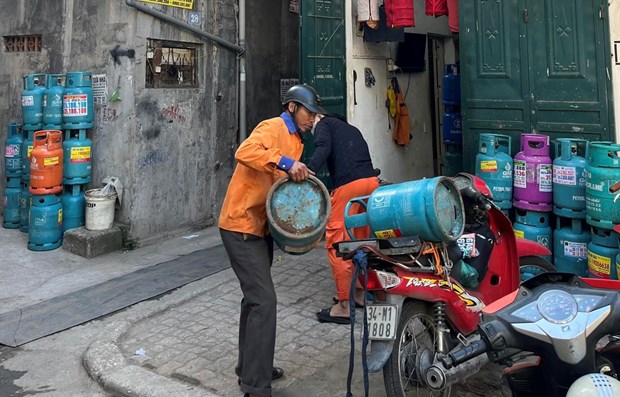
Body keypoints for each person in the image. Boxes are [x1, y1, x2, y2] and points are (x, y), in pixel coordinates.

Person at [218, 84, 324, 397]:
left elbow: (278, 187)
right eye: (309, 112)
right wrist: (286, 163)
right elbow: (245, 152)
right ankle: (255, 385)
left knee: (254, 301)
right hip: (240, 226)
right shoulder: (273, 127)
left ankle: (251, 368)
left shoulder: (297, 140)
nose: (312, 118)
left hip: (259, 228)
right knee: (264, 301)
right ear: (293, 107)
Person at [307, 114, 379, 325]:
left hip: (349, 186)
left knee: (338, 242)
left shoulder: (323, 124)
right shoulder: (351, 129)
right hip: (370, 183)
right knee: (360, 240)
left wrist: (308, 171)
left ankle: (344, 306)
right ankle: (359, 294)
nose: (311, 124)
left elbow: (323, 147)